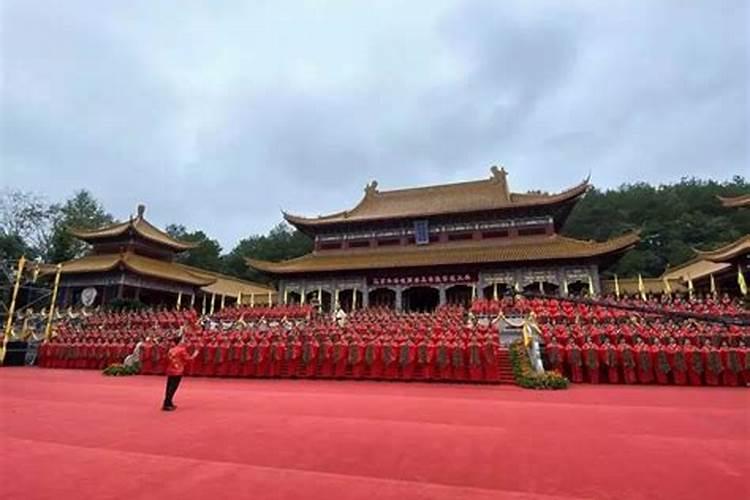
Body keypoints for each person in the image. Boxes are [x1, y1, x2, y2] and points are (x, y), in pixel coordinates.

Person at [162, 336, 200, 411]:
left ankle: (168, 402)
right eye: (182, 341)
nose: (184, 342)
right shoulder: (182, 350)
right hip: (177, 371)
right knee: (173, 388)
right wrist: (195, 353)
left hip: (170, 370)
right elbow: (189, 359)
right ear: (179, 342)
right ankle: (167, 403)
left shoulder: (171, 350)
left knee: (169, 387)